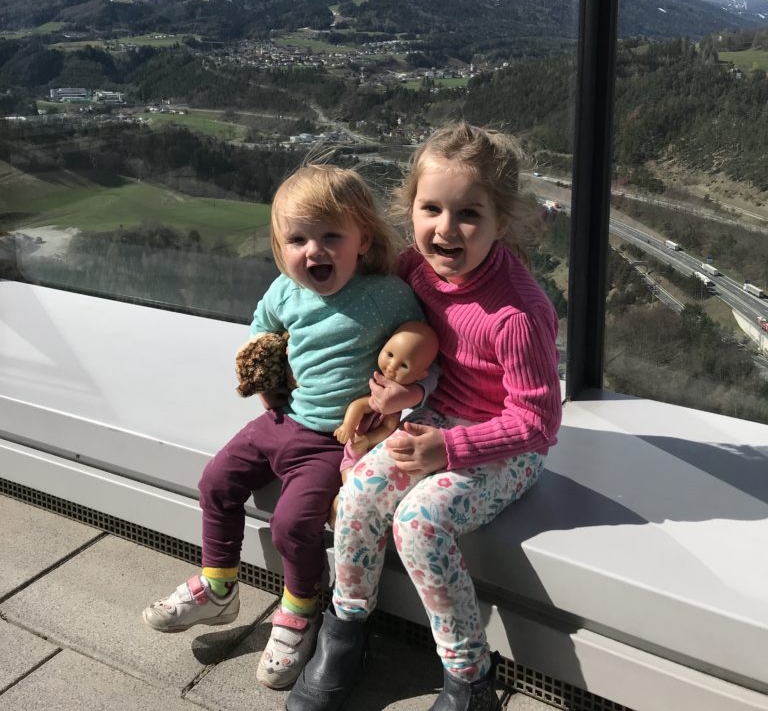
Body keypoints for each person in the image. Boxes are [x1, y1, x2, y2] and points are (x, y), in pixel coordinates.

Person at [288, 123, 563, 711]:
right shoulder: (417, 270)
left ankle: (470, 677)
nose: (445, 228)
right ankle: (346, 630)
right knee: (360, 491)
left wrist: (450, 449)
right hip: (435, 417)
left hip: (503, 445)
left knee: (418, 522)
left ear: (502, 223)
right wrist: (394, 395)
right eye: (431, 207)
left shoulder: (515, 313)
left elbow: (539, 423)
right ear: (410, 209)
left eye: (469, 214)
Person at [142, 164, 428, 691]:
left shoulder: (387, 295)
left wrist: (407, 396)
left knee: (294, 526)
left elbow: (424, 359)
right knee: (214, 484)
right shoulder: (284, 290)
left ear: (363, 238)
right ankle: (219, 585)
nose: (313, 251)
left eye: (329, 236)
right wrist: (265, 366)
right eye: (297, 239)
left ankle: (298, 613)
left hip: (331, 442)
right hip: (279, 420)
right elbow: (261, 330)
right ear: (280, 244)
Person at [329, 320, 439, 524]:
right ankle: (345, 502)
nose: (391, 367)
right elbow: (359, 406)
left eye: (404, 365)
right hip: (354, 450)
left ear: (421, 375)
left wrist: (368, 439)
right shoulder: (377, 383)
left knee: (362, 486)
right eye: (389, 354)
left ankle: (345, 504)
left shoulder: (397, 398)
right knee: (352, 479)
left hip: (369, 448)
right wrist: (347, 426)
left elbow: (388, 428)